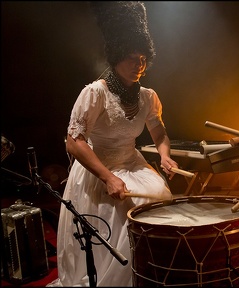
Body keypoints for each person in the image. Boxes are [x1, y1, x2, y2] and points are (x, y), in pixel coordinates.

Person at [47, 2, 178, 287]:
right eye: (132, 58)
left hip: (131, 162)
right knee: (124, 208)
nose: (138, 65)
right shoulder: (95, 92)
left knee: (160, 198)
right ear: (116, 56)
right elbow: (74, 143)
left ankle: (148, 274)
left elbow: (159, 134)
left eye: (143, 58)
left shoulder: (148, 96)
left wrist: (165, 156)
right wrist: (108, 177)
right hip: (99, 168)